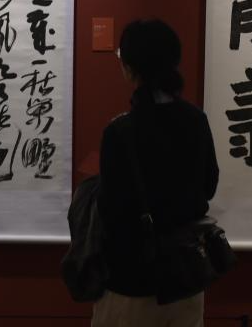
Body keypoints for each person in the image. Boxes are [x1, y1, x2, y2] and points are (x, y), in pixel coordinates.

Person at [92, 19, 220, 327]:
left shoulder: (119, 131)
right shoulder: (196, 120)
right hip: (185, 277)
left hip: (131, 280)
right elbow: (209, 185)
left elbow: (110, 210)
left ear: (130, 68)